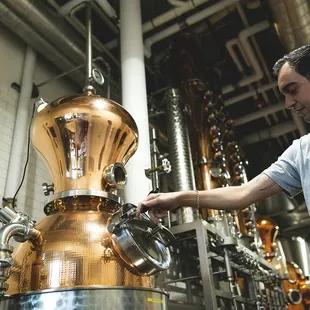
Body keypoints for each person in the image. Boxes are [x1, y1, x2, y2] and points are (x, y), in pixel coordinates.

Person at [137, 44, 310, 224]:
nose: (288, 104)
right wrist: (178, 198)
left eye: (292, 90)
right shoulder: (301, 152)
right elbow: (244, 193)